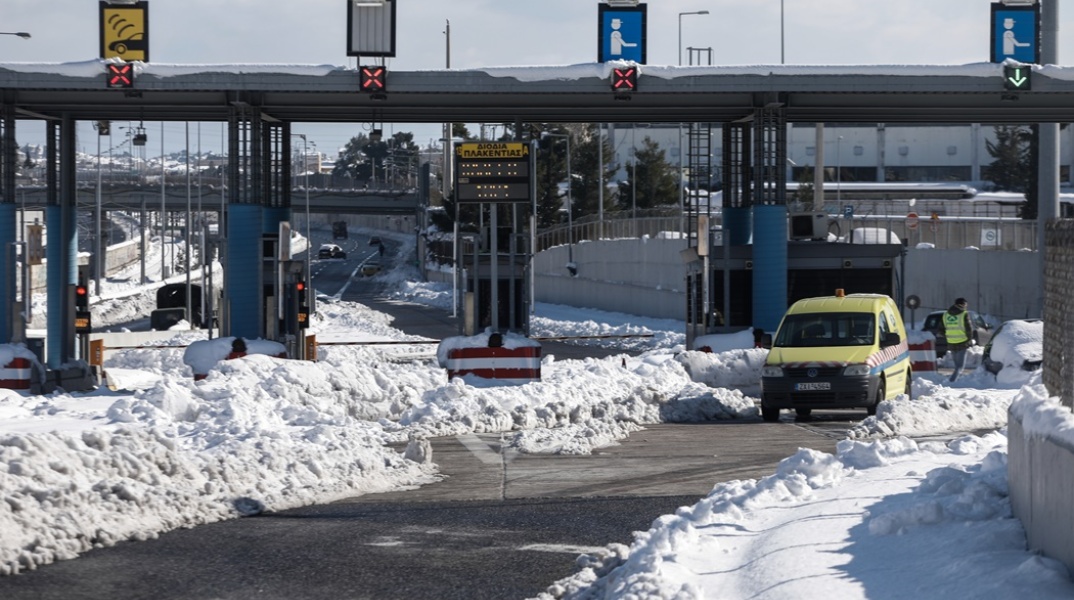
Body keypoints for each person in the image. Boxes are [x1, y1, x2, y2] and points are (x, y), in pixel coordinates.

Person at [943, 298, 973, 382]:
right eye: (965, 305)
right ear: (963, 304)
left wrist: (949, 335)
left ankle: (954, 382)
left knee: (957, 366)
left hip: (951, 342)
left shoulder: (946, 314)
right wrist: (969, 340)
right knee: (960, 367)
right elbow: (969, 329)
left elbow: (941, 329)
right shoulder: (964, 314)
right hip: (962, 343)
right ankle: (951, 382)